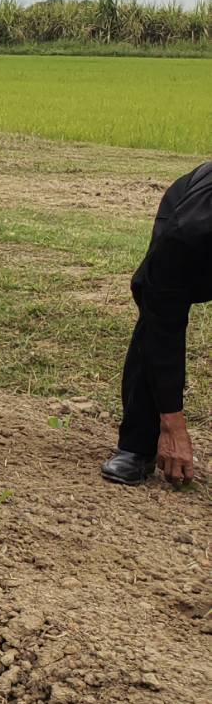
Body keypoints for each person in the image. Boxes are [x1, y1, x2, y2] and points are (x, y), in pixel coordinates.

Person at [100, 162, 212, 485]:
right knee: (154, 320)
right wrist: (171, 422)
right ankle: (137, 444)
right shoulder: (186, 233)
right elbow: (162, 320)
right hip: (188, 211)